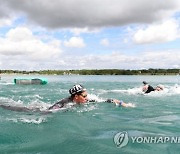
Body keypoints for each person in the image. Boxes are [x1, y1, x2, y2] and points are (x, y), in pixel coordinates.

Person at [48, 84, 133, 109]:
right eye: (84, 96)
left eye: (86, 96)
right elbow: (49, 111)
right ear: (76, 96)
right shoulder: (65, 104)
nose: (86, 98)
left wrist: (121, 103)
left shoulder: (86, 100)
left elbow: (105, 100)